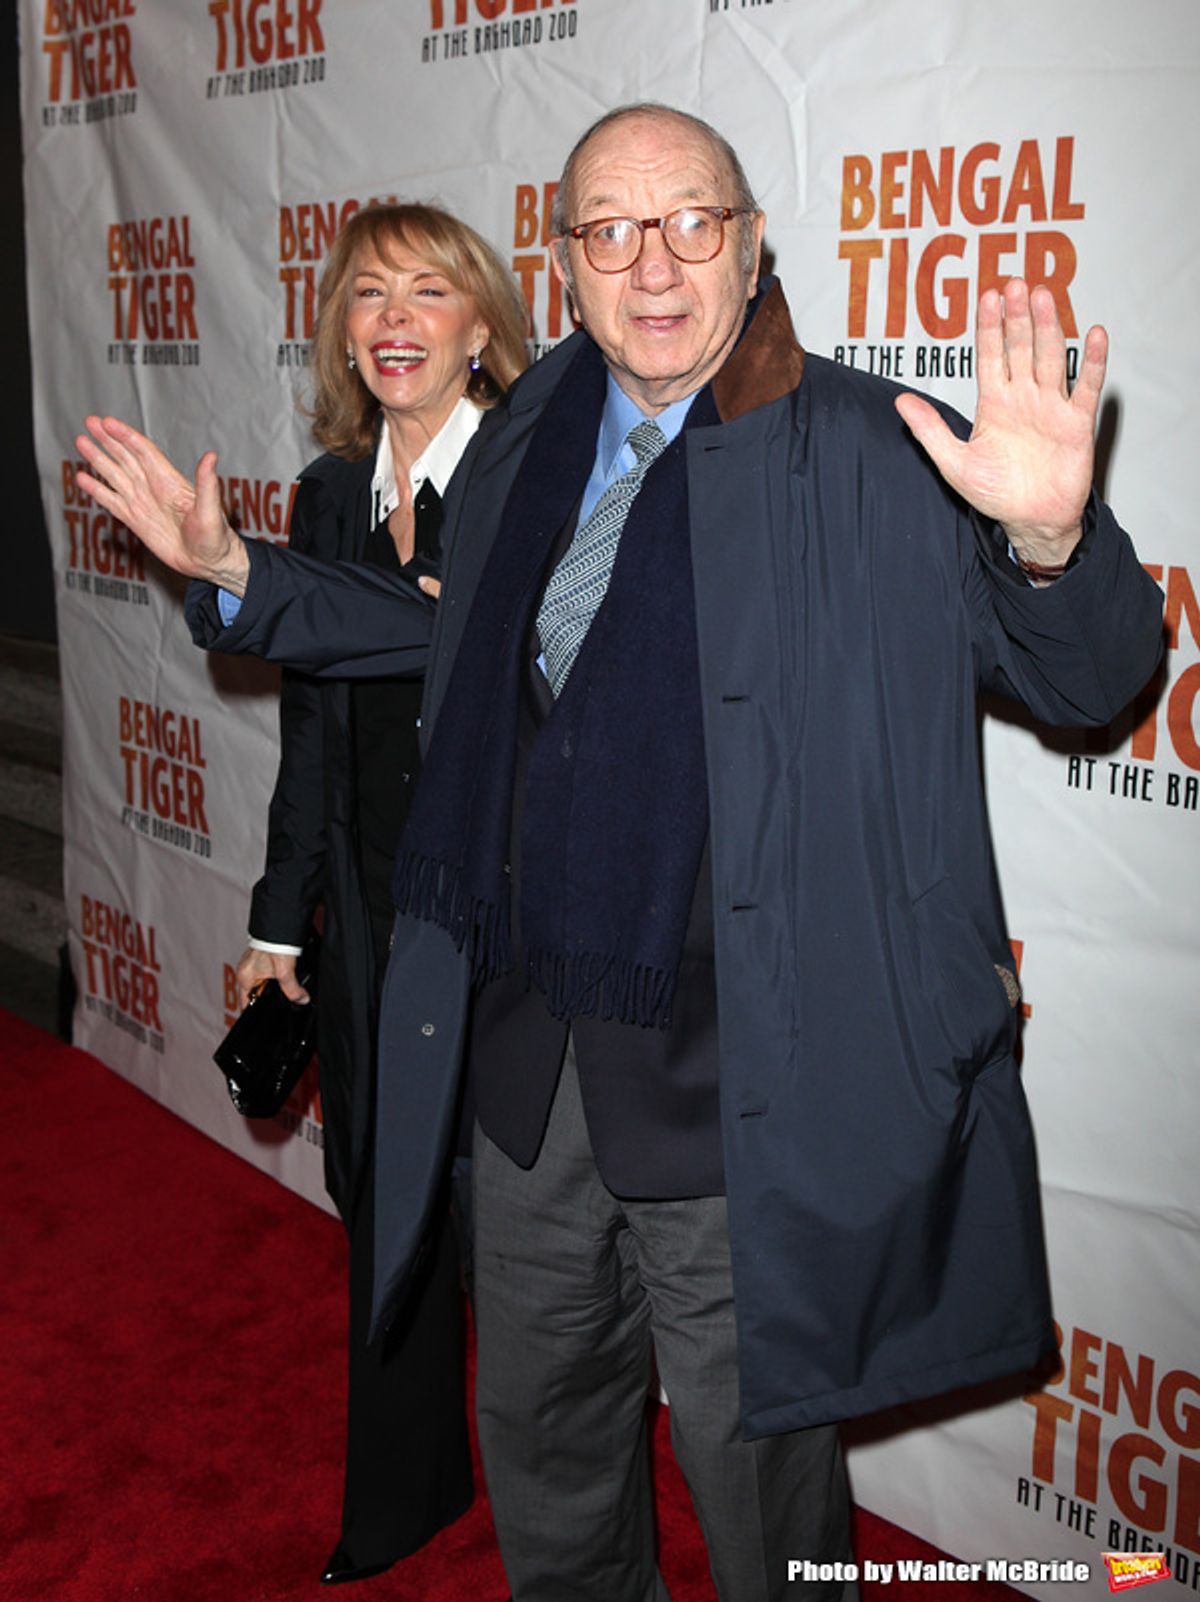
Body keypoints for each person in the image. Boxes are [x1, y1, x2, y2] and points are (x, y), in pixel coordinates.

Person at [78, 103, 1163, 1602]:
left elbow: (1089, 678)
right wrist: (237, 578)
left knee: (756, 1481)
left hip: (739, 1084)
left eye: (690, 223)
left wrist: (1051, 540)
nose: (652, 267)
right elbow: (443, 633)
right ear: (569, 262)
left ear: (753, 241)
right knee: (547, 1434)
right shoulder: (530, 428)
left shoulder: (865, 448)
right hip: (527, 1055)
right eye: (610, 231)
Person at [195, 203, 528, 1586]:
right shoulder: (330, 493)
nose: (392, 318)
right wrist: (284, 924)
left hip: (508, 918)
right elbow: (313, 733)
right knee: (376, 1194)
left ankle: (553, 1495)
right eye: (367, 294)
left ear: (481, 326)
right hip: (372, 912)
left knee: (511, 1226)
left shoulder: (535, 474)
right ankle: (404, 1492)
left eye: (428, 291)